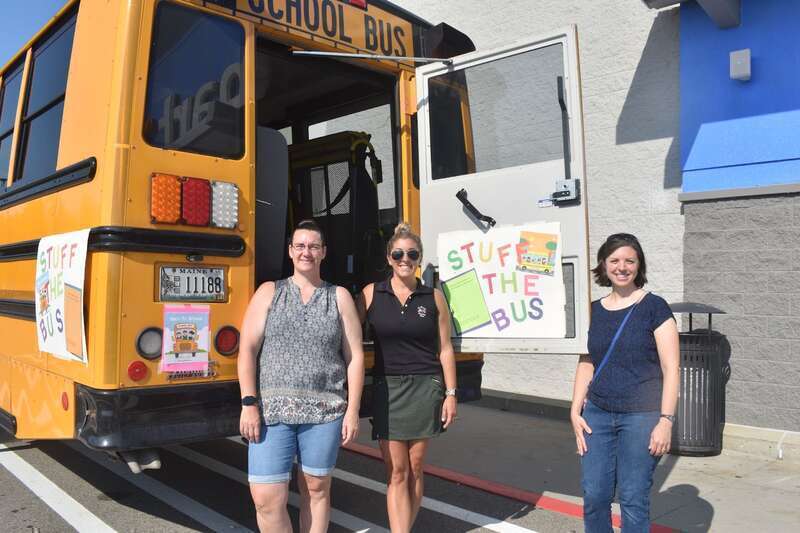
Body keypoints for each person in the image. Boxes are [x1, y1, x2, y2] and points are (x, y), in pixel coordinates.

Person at [238, 219, 365, 533]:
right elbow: (247, 350)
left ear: (323, 252)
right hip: (271, 412)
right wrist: (248, 403)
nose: (306, 251)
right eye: (300, 246)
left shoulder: (339, 297)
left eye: (313, 246)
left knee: (317, 489)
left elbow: (355, 357)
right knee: (266, 497)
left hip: (325, 413)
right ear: (291, 251)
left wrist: (352, 410)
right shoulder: (270, 292)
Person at [570, 233, 680, 533]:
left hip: (641, 417)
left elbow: (672, 368)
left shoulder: (655, 307)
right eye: (614, 260)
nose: (622, 267)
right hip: (598, 414)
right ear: (603, 266)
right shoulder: (592, 310)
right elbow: (587, 360)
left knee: (632, 498)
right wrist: (575, 410)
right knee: (594, 495)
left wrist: (666, 421)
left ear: (638, 265)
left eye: (629, 260)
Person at [359, 223, 457, 533]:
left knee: (415, 468)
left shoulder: (433, 297)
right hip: (387, 389)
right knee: (396, 471)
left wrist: (451, 393)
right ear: (389, 257)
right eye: (398, 254)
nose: (405, 259)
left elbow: (444, 349)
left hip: (425, 387)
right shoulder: (371, 293)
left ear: (419, 258)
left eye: (412, 254)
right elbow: (347, 338)